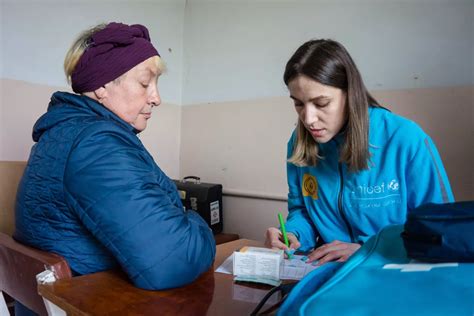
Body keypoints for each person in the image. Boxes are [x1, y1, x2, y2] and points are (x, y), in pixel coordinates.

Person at [14, 22, 216, 292]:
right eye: (145, 83)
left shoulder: (64, 134)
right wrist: (195, 219)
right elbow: (172, 261)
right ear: (102, 87)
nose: (157, 97)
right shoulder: (97, 145)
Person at [265, 39, 454, 265]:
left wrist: (368, 249)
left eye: (321, 103)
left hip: (395, 273)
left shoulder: (406, 139)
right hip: (330, 274)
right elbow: (303, 212)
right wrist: (293, 234)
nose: (308, 119)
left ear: (350, 93)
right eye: (298, 104)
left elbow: (441, 230)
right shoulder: (298, 143)